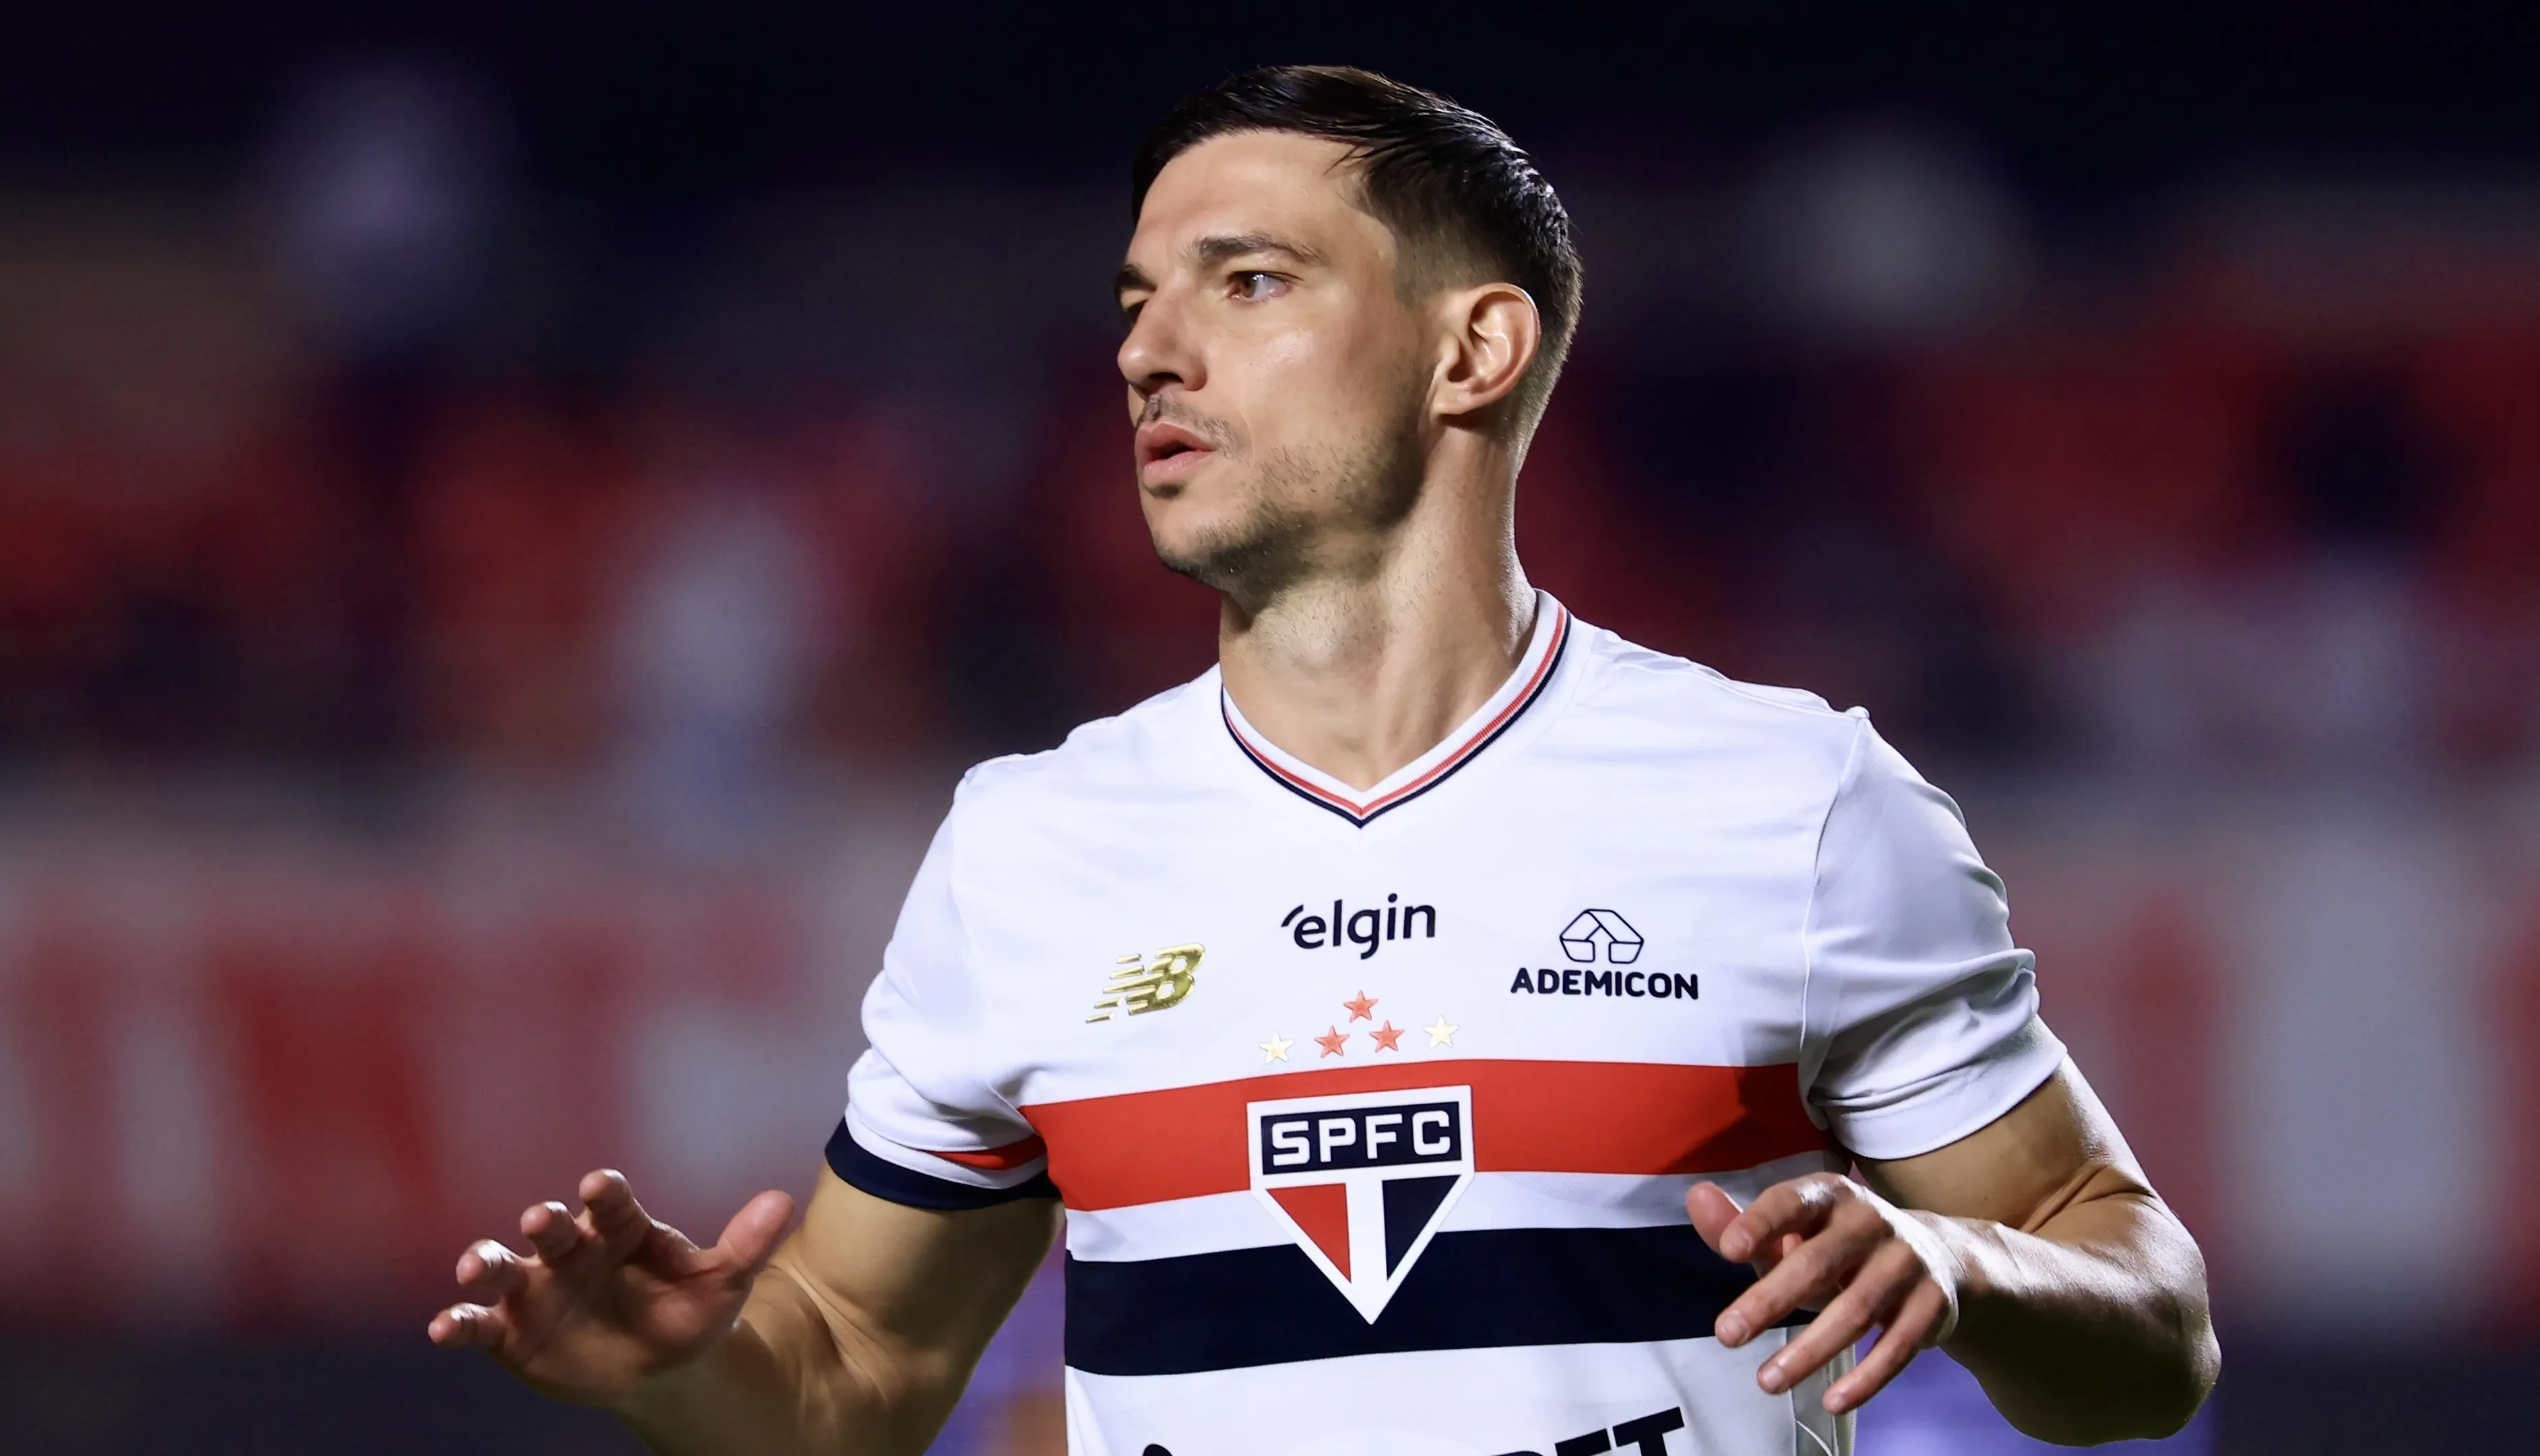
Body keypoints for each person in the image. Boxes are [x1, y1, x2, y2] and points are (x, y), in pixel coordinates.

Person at [429, 65, 2218, 1455]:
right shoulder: (1030, 846)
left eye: (1248, 280)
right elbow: (854, 1381)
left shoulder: (1796, 805)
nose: (1148, 348)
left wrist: (1959, 1268)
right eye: (1136, 298)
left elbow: (2147, 1334)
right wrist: (674, 1379)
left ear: (1474, 348)